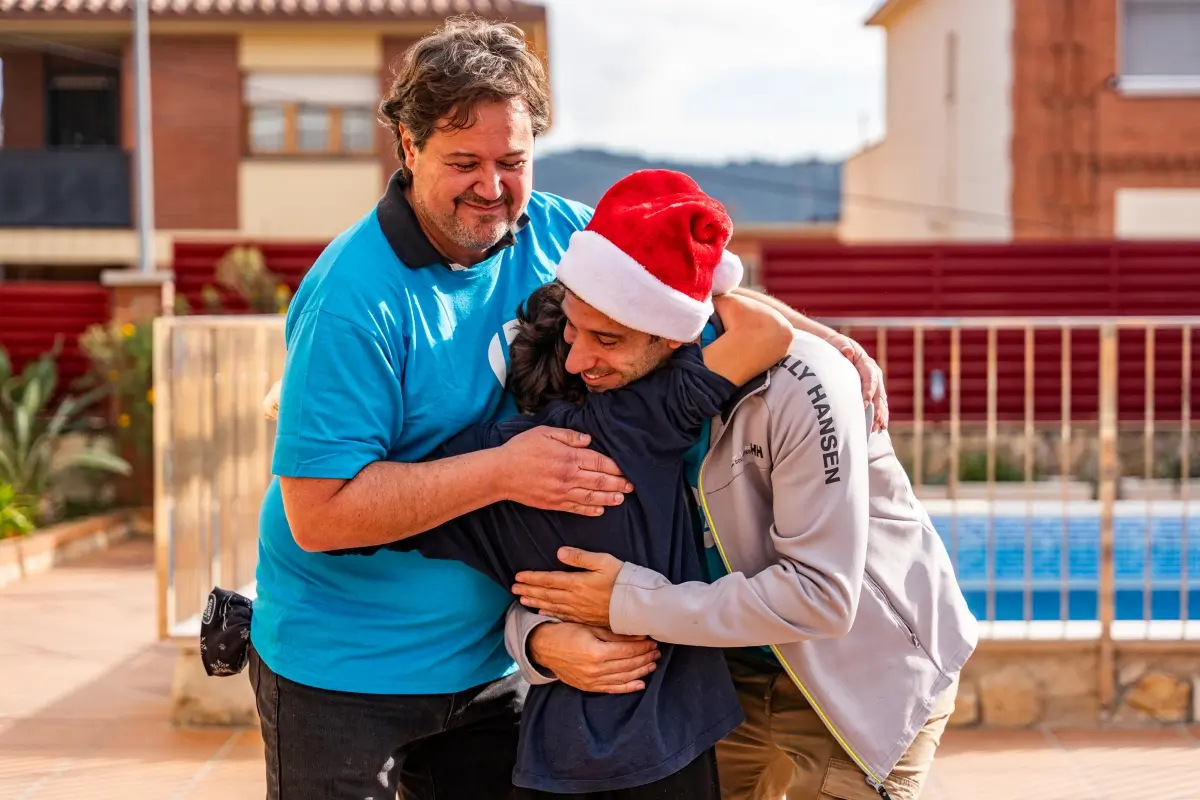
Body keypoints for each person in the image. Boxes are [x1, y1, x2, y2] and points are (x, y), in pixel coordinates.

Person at [249, 14, 888, 799]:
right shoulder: (353, 300)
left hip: (496, 660)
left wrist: (819, 339)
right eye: (464, 162)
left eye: (512, 160)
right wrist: (505, 472)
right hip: (345, 671)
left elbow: (682, 286)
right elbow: (319, 515)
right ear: (408, 149)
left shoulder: (553, 230)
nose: (492, 187)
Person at [506, 305, 979, 799]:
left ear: (670, 331)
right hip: (727, 678)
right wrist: (536, 639)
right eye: (574, 332)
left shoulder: (802, 380)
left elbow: (820, 596)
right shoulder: (596, 400)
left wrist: (626, 604)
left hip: (860, 676)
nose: (579, 359)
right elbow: (535, 549)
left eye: (606, 339)